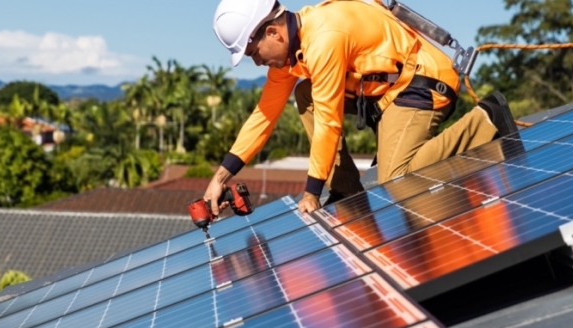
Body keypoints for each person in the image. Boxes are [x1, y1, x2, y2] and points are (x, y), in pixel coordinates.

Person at [205, 0, 518, 214]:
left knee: (396, 177)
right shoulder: (293, 53)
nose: (257, 61)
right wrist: (219, 179)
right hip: (385, 94)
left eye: (253, 53)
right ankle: (347, 192)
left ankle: (486, 119)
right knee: (305, 94)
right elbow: (264, 116)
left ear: (272, 32)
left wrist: (312, 193)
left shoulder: (324, 38)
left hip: (421, 82)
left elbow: (329, 121)